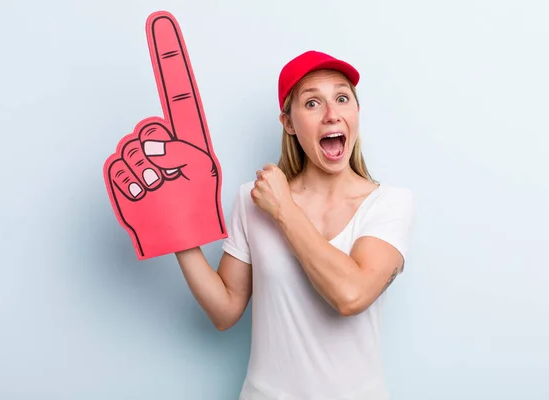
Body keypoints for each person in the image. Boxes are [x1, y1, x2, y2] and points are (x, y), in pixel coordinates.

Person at [175, 50, 415, 399]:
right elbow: (225, 311)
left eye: (342, 98)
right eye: (312, 103)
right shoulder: (253, 199)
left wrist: (284, 209)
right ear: (288, 123)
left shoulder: (389, 204)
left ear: (356, 113)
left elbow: (351, 295)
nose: (332, 114)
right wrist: (173, 228)